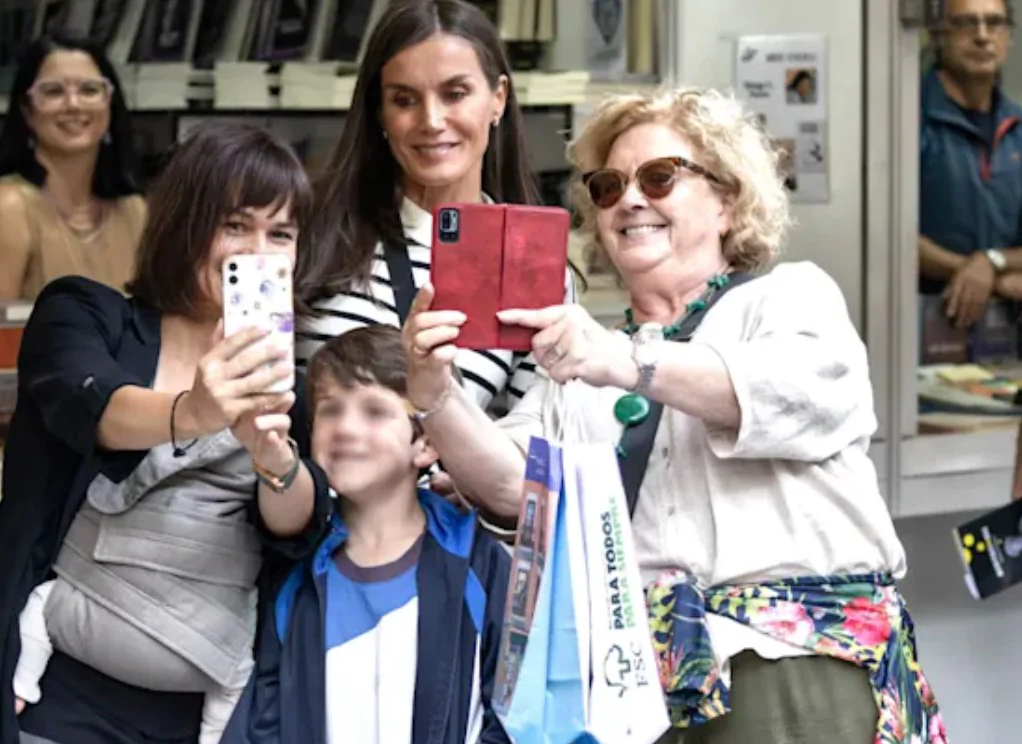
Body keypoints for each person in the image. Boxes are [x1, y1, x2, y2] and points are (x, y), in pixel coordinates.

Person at [401, 88, 947, 744]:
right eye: (608, 186)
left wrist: (626, 362)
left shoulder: (786, 297)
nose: (630, 199)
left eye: (660, 177)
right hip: (642, 694)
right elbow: (513, 485)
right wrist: (435, 393)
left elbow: (789, 393)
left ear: (728, 200)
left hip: (793, 668)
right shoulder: (580, 361)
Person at [0, 121, 327, 744]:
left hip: (197, 705)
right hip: (54, 691)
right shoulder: (87, 314)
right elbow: (91, 405)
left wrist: (274, 457)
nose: (258, 251)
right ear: (185, 224)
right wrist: (194, 410)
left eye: (282, 233)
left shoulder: (288, 378)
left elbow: (298, 525)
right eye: (236, 225)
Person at [221, 325, 511, 744]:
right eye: (330, 410)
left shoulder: (477, 561)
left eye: (374, 411)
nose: (345, 428)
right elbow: (262, 721)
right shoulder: (296, 574)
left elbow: (516, 712)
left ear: (426, 442)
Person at [295, 0, 574, 419]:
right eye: (404, 100)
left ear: (498, 99)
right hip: (305, 481)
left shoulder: (530, 262)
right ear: (380, 112)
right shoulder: (311, 231)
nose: (431, 120)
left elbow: (527, 440)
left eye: (455, 94)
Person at [0, 32, 145, 301]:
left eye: (89, 90)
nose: (73, 105)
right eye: (54, 92)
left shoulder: (135, 211)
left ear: (110, 104)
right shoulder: (1, 208)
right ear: (27, 111)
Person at [919, 0, 1022, 329]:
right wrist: (974, 271)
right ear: (939, 36)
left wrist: (992, 263)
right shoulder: (905, 119)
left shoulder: (1018, 125)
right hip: (920, 323)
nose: (982, 36)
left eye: (994, 23)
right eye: (965, 24)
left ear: (1009, 38)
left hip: (1008, 334)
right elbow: (884, 232)